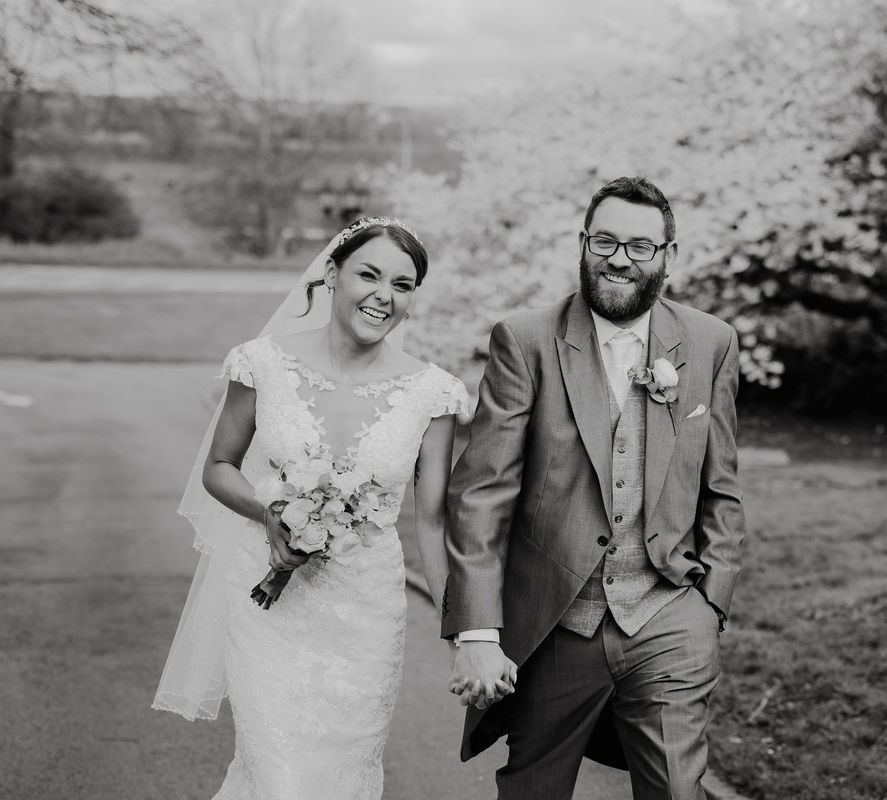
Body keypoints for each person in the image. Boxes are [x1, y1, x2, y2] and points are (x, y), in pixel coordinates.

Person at [153, 217, 512, 798]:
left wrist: (463, 637)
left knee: (342, 776)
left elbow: (431, 521)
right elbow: (218, 468)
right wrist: (270, 512)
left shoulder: (433, 393)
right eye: (368, 275)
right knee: (278, 775)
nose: (383, 296)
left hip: (366, 611)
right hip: (267, 606)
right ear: (329, 273)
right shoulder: (261, 363)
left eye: (402, 285)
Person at [442, 176, 747, 798]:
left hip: (668, 613)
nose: (620, 258)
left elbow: (723, 485)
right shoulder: (525, 340)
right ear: (583, 244)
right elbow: (481, 496)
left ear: (668, 255)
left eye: (640, 246)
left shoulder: (711, 342)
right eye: (605, 241)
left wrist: (711, 598)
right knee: (535, 788)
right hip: (557, 619)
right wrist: (477, 632)